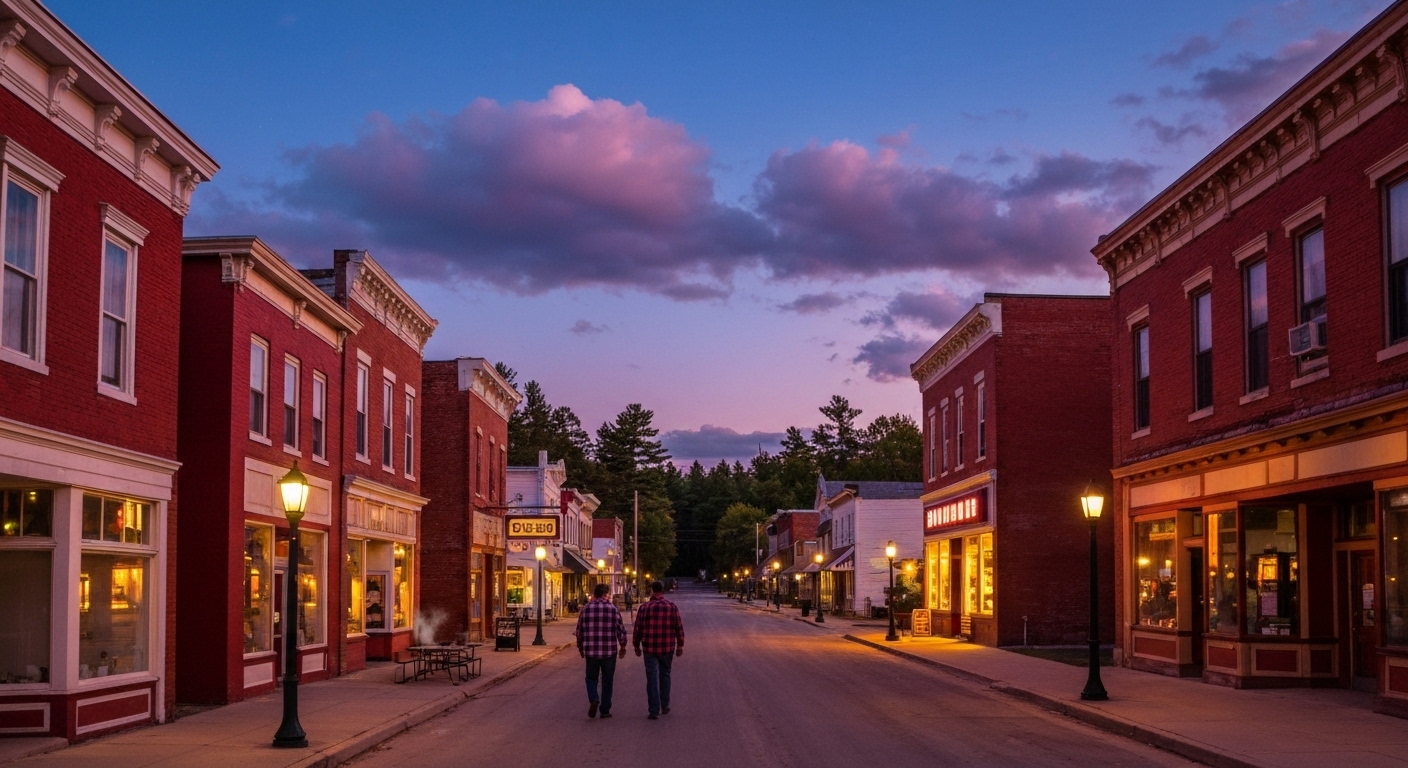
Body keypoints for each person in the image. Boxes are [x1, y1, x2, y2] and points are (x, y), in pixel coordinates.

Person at [633, 581, 684, 720]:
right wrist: (680, 645)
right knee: (665, 675)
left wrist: (636, 645)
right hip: (667, 647)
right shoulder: (671, 607)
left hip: (649, 648)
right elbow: (678, 627)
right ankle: (665, 705)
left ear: (652, 590)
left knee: (652, 678)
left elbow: (638, 628)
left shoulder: (644, 608)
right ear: (663, 591)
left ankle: (653, 710)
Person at [575, 582, 627, 719]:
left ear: (595, 594)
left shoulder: (586, 609)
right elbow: (620, 629)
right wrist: (623, 646)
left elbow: (579, 631)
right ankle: (605, 710)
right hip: (609, 651)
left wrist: (581, 648)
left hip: (591, 651)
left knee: (591, 678)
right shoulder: (612, 609)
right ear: (605, 594)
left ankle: (593, 698)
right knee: (607, 680)